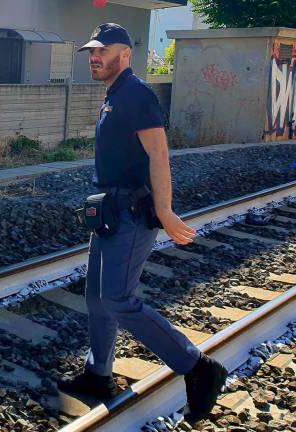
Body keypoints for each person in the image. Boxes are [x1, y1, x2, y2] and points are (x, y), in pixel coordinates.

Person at [58, 23, 228, 423]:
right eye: (91, 51)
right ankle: (98, 374)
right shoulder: (115, 94)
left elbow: (159, 155)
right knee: (97, 297)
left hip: (132, 216)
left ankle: (199, 367)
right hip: (109, 213)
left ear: (126, 53)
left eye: (103, 50)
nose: (95, 57)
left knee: (118, 298)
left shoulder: (136, 94)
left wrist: (166, 212)